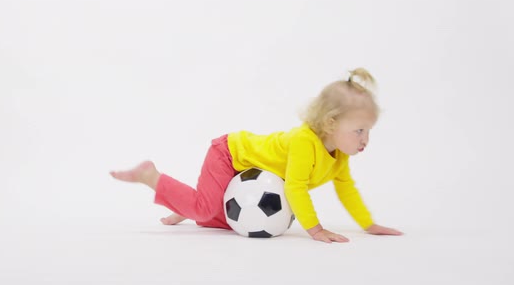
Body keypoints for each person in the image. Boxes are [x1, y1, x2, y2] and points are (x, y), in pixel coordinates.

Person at [110, 68, 402, 243]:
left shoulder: (339, 156)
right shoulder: (304, 142)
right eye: (359, 131)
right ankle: (152, 177)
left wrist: (368, 224)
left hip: (249, 169)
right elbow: (295, 187)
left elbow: (347, 189)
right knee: (204, 211)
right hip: (230, 153)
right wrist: (316, 230)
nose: (365, 140)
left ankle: (188, 203)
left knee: (228, 221)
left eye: (368, 131)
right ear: (331, 124)